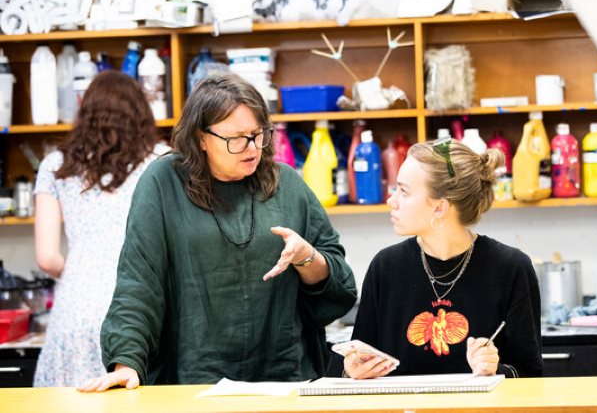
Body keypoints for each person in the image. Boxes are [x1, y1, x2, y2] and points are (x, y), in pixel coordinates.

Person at [78, 74, 357, 392]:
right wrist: (127, 362)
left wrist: (307, 258)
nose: (252, 148)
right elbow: (139, 286)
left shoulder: (287, 184)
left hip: (283, 379)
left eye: (258, 134)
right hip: (191, 382)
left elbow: (339, 284)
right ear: (200, 138)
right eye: (236, 138)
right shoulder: (163, 183)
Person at [344, 137, 543, 379]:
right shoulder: (385, 267)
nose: (391, 201)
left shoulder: (510, 268)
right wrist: (351, 371)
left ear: (439, 208)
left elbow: (530, 376)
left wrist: (494, 371)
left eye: (404, 192)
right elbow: (357, 365)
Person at [33, 71, 170, 387]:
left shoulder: (55, 165)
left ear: (84, 111)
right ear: (142, 112)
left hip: (76, 307)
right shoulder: (161, 161)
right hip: (141, 307)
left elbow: (47, 258)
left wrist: (85, 272)